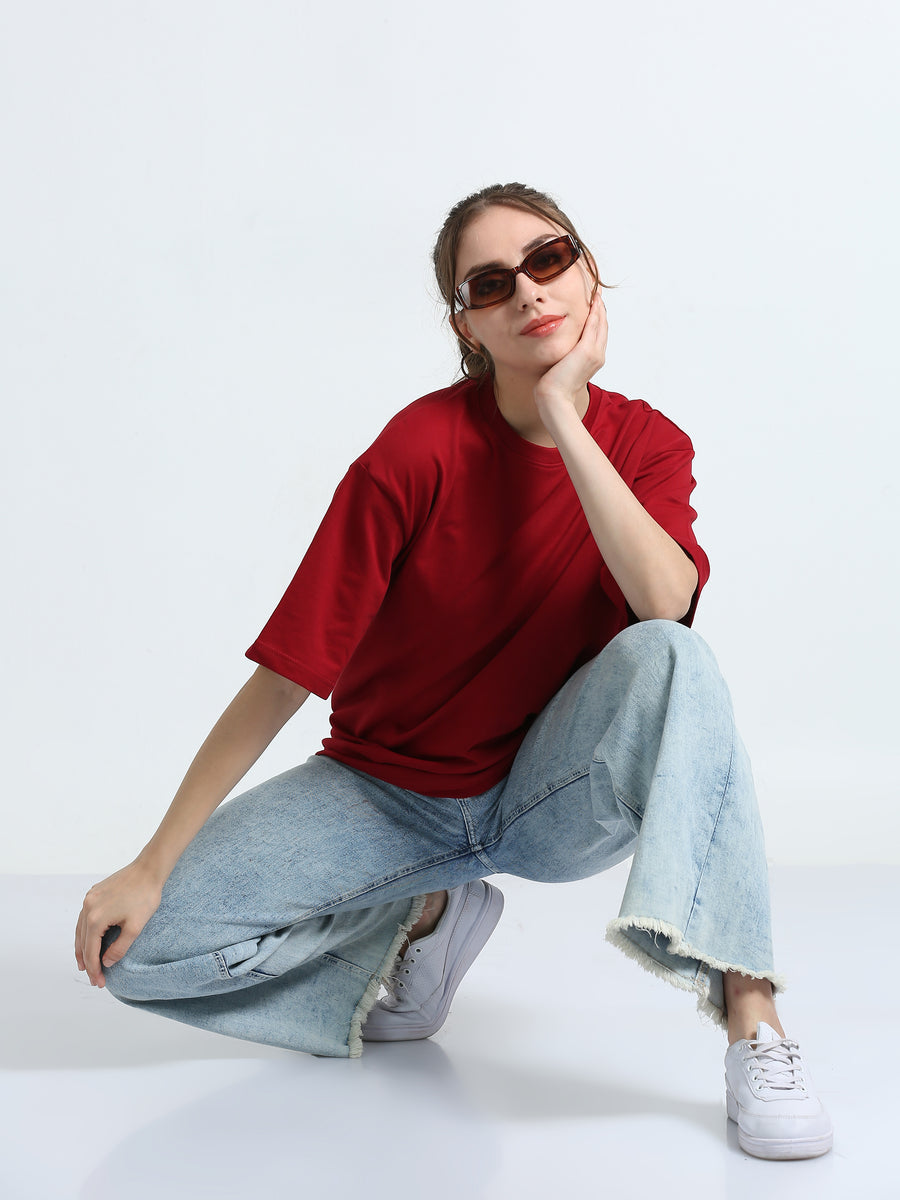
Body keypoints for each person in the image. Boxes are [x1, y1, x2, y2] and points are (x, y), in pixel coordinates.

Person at [75, 182, 832, 1161]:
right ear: (466, 322)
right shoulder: (414, 452)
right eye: (493, 282)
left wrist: (564, 410)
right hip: (381, 796)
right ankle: (422, 914)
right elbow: (287, 672)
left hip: (545, 796)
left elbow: (662, 601)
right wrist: (150, 863)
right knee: (138, 958)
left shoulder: (646, 443)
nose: (529, 292)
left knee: (673, 656)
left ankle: (753, 1014)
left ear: (589, 270)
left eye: (550, 260)